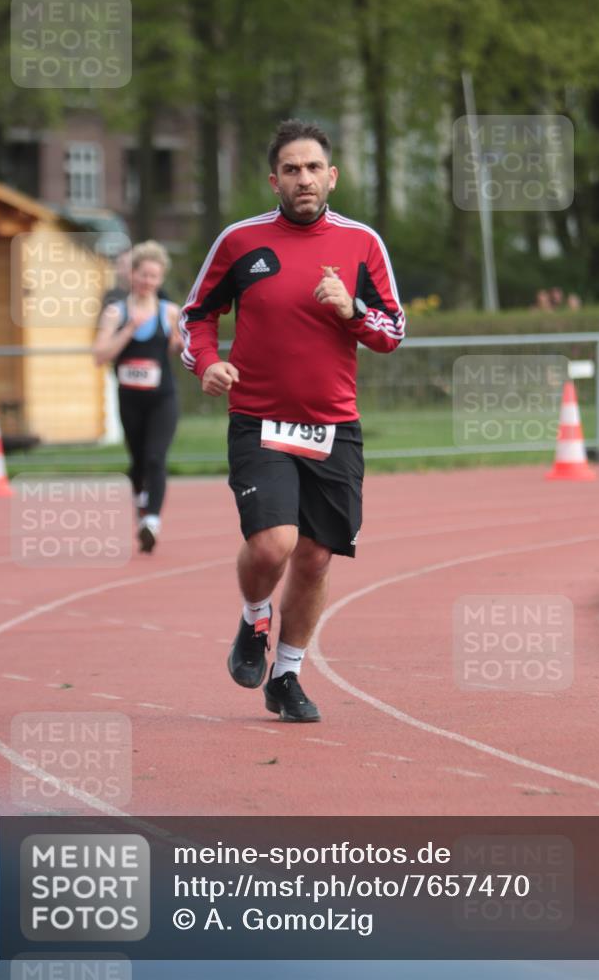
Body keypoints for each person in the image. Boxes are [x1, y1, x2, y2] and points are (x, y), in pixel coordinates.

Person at [180, 119, 405, 721]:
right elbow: (197, 314)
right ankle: (255, 618)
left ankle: (286, 676)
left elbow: (392, 332)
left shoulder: (362, 243)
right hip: (259, 419)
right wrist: (207, 362)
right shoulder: (239, 241)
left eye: (313, 168)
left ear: (331, 177)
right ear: (273, 179)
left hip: (334, 425)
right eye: (291, 169)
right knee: (274, 543)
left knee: (315, 558)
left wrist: (351, 308)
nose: (303, 179)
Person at [93, 240, 183, 553]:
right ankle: (141, 504)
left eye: (154, 277)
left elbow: (179, 349)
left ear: (161, 280)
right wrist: (128, 329)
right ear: (132, 275)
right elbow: (99, 355)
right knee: (138, 462)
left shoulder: (169, 312)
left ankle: (152, 522)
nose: (148, 282)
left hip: (163, 398)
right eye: (143, 275)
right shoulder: (115, 312)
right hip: (130, 399)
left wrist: (179, 344)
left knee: (156, 457)